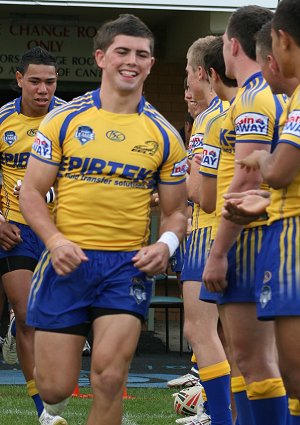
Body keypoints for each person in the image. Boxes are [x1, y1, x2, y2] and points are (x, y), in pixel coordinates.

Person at [19, 14, 187, 425]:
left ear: (150, 64)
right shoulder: (64, 120)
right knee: (54, 386)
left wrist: (164, 246)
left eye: (142, 55)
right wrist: (55, 241)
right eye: (122, 52)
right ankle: (52, 407)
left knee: (110, 378)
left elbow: (175, 212)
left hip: (124, 269)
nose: (132, 61)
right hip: (66, 263)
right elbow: (30, 192)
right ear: (100, 57)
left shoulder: (164, 135)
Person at [202, 6, 288, 425]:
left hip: (253, 239)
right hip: (268, 235)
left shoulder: (253, 97)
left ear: (233, 45)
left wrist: (217, 252)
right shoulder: (276, 93)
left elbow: (245, 183)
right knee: (252, 360)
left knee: (254, 361)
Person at [231, 2, 300, 421]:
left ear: (283, 41)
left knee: (294, 374)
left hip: (294, 240)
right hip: (282, 220)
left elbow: (281, 170)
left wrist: (262, 161)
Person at [0, 47, 67, 425]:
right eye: (36, 81)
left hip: (59, 232)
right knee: (27, 316)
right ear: (19, 79)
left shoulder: (68, 119)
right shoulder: (2, 121)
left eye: (51, 81)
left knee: (54, 321)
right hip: (15, 230)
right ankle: (44, 412)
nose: (44, 89)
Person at [178, 35, 232, 425]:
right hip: (239, 234)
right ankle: (227, 412)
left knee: (200, 331)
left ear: (202, 72)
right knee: (232, 336)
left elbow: (200, 193)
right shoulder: (236, 110)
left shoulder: (208, 119)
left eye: (187, 72)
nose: (187, 81)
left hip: (207, 235)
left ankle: (217, 414)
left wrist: (171, 178)